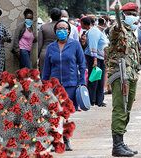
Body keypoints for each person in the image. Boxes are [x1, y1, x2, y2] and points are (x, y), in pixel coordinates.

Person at [42, 20, 86, 151]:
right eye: (59, 28)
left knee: (65, 114)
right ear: (55, 31)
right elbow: (46, 69)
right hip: (55, 86)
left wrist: (82, 82)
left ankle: (66, 140)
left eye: (64, 28)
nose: (62, 30)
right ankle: (55, 140)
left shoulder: (75, 45)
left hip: (71, 84)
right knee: (55, 114)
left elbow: (82, 65)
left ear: (68, 31)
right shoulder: (51, 48)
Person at [106, 2, 141, 157]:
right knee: (120, 108)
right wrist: (118, 14)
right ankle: (117, 145)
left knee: (127, 109)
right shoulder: (117, 29)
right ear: (124, 15)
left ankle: (121, 141)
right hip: (120, 75)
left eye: (135, 14)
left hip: (131, 75)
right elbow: (118, 26)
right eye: (131, 14)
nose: (133, 17)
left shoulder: (132, 32)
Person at [82, 17, 108, 107]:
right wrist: (95, 59)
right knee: (94, 79)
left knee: (100, 80)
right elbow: (93, 45)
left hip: (101, 57)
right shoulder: (94, 31)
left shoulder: (99, 31)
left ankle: (99, 100)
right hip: (94, 58)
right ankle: (92, 100)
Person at [38, 8, 61, 73]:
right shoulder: (63, 28)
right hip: (58, 53)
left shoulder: (43, 27)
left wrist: (37, 56)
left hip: (45, 53)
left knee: (44, 76)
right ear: (60, 16)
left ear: (50, 16)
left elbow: (39, 43)